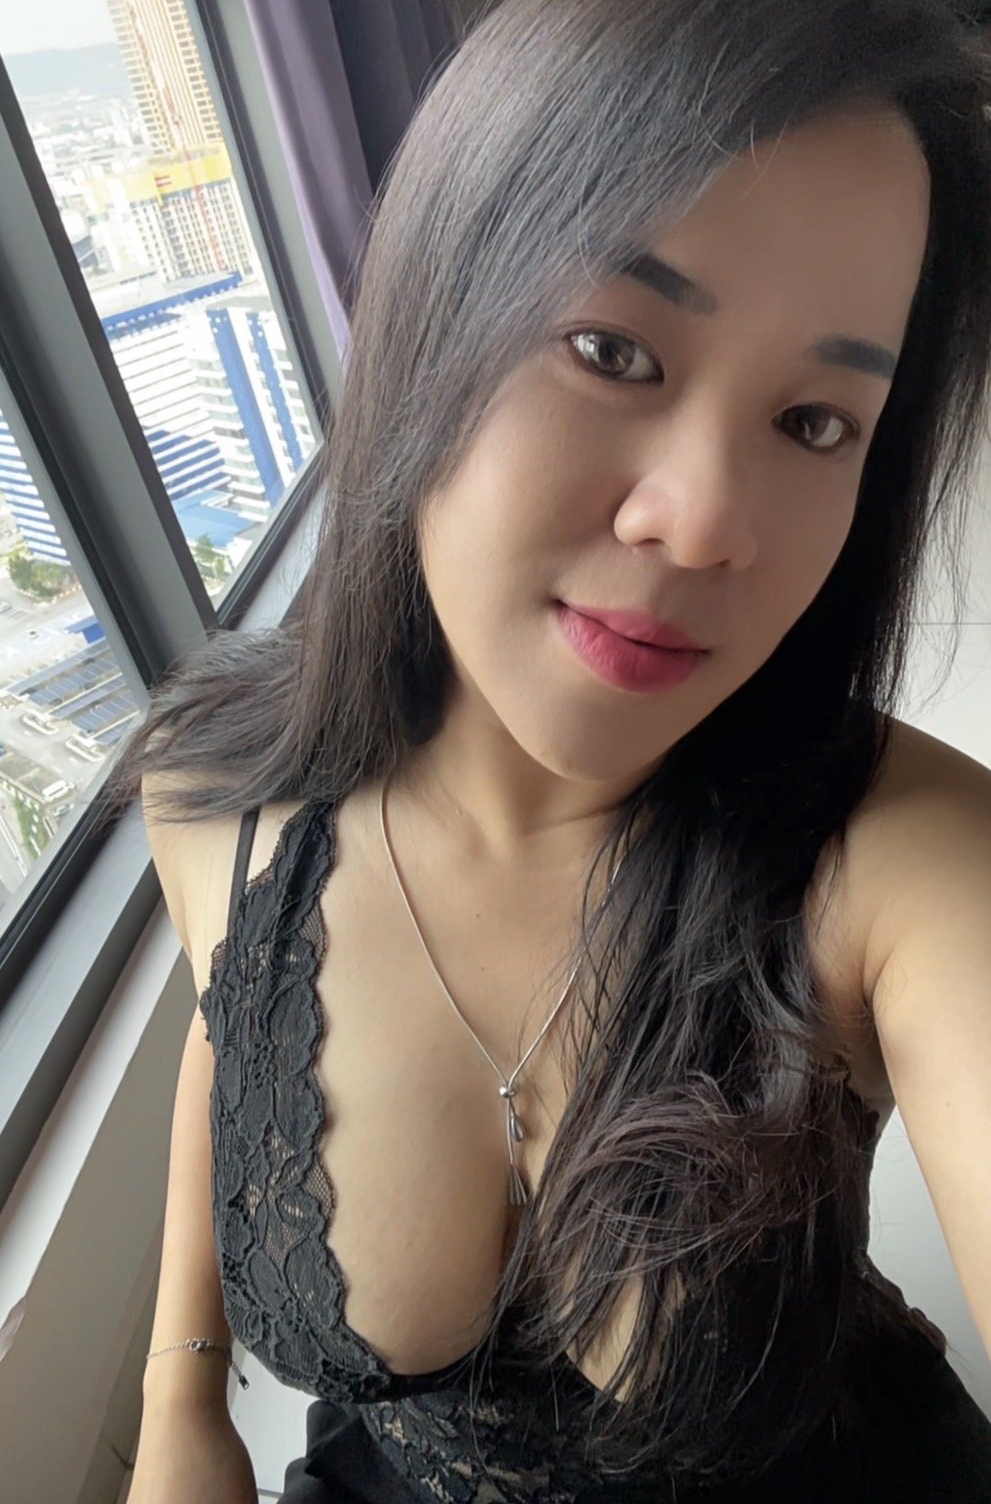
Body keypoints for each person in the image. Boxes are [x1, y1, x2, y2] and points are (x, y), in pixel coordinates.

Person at [108, 0, 991, 1498]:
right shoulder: (215, 801)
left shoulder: (905, 859)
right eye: (612, 349)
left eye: (814, 422)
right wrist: (178, 1402)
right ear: (428, 323)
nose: (703, 523)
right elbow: (234, 1023)